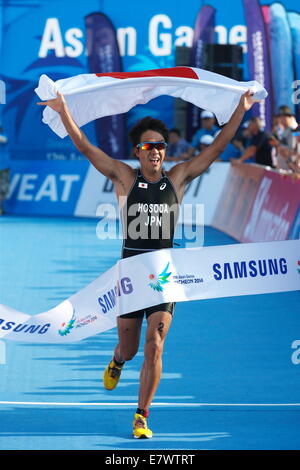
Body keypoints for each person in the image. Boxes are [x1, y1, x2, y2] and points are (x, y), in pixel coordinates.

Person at [37, 89, 257, 439]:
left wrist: (240, 111)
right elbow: (85, 147)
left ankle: (141, 416)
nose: (155, 151)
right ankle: (118, 361)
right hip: (131, 274)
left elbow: (216, 149)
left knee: (155, 343)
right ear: (137, 152)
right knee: (130, 347)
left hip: (164, 278)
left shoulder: (179, 177)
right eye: (148, 146)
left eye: (160, 146)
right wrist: (64, 110)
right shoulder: (124, 177)